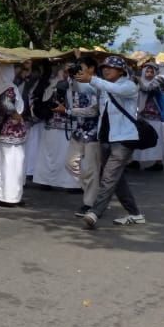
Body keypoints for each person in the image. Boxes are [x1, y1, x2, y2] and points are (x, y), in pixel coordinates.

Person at [82, 56, 146, 229]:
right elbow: (82, 87)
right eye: (104, 67)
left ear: (121, 71)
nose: (106, 70)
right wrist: (76, 74)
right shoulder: (103, 86)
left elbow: (111, 88)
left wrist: (92, 79)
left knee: (109, 177)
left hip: (124, 139)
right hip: (106, 139)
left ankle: (95, 212)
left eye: (110, 67)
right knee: (116, 179)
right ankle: (135, 214)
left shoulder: (129, 86)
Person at [0, 63, 27, 206]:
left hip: (0, 132)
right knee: (11, 164)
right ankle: (8, 196)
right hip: (10, 133)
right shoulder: (7, 88)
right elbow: (6, 102)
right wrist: (16, 115)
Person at [60, 56, 100, 217]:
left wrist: (69, 112)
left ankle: (89, 203)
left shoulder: (98, 84)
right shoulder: (74, 84)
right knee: (70, 163)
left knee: (92, 169)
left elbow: (93, 110)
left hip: (94, 131)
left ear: (91, 69)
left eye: (81, 68)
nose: (78, 71)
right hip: (78, 131)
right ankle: (95, 192)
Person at [32, 65, 79, 191]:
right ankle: (46, 181)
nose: (66, 74)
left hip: (68, 127)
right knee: (51, 155)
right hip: (55, 126)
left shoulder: (78, 87)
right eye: (65, 71)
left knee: (64, 156)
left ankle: (68, 183)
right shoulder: (55, 86)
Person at [134, 61, 164, 171]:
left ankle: (158, 163)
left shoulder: (157, 81)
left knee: (156, 139)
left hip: (154, 116)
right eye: (147, 71)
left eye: (151, 71)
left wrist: (139, 81)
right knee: (139, 138)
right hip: (142, 115)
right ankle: (135, 161)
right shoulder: (143, 81)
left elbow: (147, 89)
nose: (149, 74)